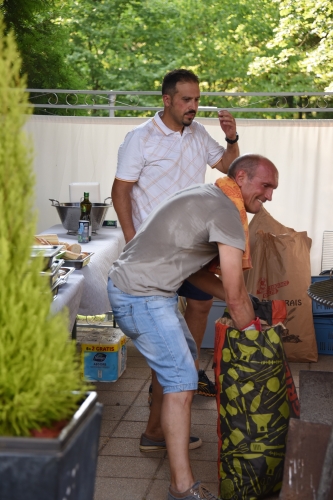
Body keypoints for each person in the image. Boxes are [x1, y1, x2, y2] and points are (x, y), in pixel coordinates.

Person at [107, 154, 279, 500]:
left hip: (139, 288)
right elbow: (232, 296)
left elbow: (191, 270)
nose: (270, 196)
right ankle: (182, 488)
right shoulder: (227, 213)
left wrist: (250, 304)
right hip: (142, 296)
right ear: (241, 177)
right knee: (183, 383)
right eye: (266, 186)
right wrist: (255, 340)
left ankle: (156, 431)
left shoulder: (207, 195)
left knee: (180, 357)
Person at [111, 68, 240, 398]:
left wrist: (231, 137)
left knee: (200, 304)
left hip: (191, 246)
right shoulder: (140, 138)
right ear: (167, 100)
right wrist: (131, 239)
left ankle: (190, 372)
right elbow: (120, 191)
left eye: (197, 99)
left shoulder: (197, 133)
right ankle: (166, 385)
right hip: (153, 251)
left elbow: (229, 168)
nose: (193, 106)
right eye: (186, 99)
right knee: (164, 315)